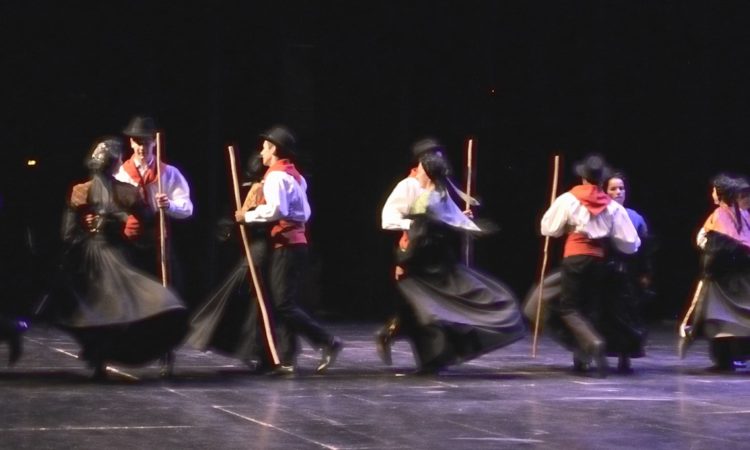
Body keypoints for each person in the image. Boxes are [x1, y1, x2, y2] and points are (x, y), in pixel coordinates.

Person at [41, 138, 188, 379]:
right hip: (105, 258)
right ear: (116, 164)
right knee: (114, 309)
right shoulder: (110, 192)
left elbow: (68, 234)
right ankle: (106, 355)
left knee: (103, 310)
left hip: (98, 257)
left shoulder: (91, 191)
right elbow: (146, 223)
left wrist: (116, 224)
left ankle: (102, 358)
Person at [395, 151, 525, 374]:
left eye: (420, 168)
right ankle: (426, 354)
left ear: (426, 172)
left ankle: (434, 358)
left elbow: (419, 234)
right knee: (423, 310)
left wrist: (403, 259)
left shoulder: (427, 199)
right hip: (439, 260)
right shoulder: (441, 194)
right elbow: (449, 223)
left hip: (425, 266)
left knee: (428, 312)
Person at [235, 126, 342, 375]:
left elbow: (277, 210)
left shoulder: (277, 177)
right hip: (292, 244)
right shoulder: (294, 175)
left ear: (274, 149)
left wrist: (247, 216)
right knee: (280, 302)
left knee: (283, 304)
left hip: (288, 245)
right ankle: (286, 358)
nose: (261, 152)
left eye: (265, 147)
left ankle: (327, 341)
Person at [540, 154, 640, 377]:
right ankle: (584, 357)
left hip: (575, 256)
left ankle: (592, 343)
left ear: (584, 178)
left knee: (569, 308)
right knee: (591, 308)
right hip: (599, 260)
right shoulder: (612, 206)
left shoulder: (569, 199)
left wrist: (567, 227)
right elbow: (630, 243)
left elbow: (548, 228)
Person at [187, 153, 273, 370]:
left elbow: (265, 217)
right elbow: (235, 217)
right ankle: (256, 351)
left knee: (256, 303)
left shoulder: (267, 188)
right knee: (247, 301)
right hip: (253, 250)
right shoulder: (251, 189)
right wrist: (232, 225)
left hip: (262, 250)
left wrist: (246, 220)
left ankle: (262, 352)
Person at [376, 138, 447, 364]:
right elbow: (388, 219)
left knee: (418, 306)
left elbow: (445, 217)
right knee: (419, 306)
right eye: (434, 157)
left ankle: (392, 332)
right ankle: (428, 358)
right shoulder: (408, 186)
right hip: (413, 250)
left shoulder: (439, 187)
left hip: (434, 253)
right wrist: (415, 226)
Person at [114, 115, 193, 282]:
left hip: (158, 240)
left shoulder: (169, 173)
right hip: (129, 242)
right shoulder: (120, 174)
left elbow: (187, 207)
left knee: (168, 285)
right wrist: (123, 217)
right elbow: (109, 207)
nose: (141, 148)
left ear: (154, 142)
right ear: (131, 143)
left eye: (146, 142)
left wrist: (169, 205)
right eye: (137, 142)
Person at [686, 174, 750, 370]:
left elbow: (710, 243)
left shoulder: (719, 215)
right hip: (740, 275)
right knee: (737, 318)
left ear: (720, 194)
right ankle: (731, 357)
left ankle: (724, 360)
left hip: (721, 280)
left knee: (718, 318)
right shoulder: (742, 214)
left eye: (714, 189)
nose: (712, 193)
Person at [600, 171, 654, 372]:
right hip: (605, 270)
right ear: (605, 191)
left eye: (621, 188)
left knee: (626, 315)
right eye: (613, 188)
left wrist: (645, 272)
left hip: (628, 272)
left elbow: (645, 248)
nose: (618, 192)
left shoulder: (634, 216)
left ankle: (625, 356)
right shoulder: (600, 214)